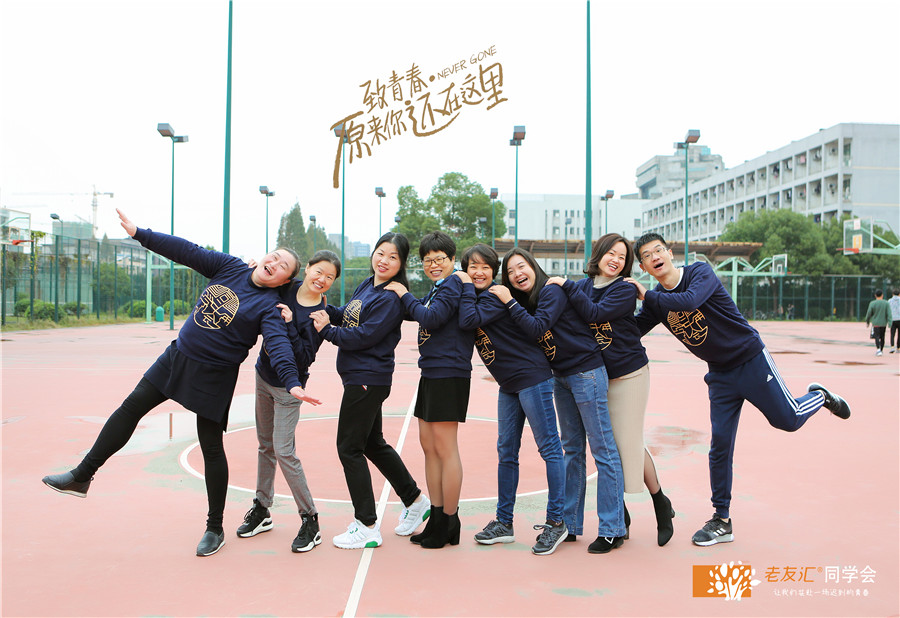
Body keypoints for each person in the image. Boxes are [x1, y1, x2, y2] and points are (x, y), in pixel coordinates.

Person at [42, 209, 320, 557]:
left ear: (283, 281)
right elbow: (187, 251)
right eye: (274, 257)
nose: (274, 264)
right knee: (130, 409)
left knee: (211, 448)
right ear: (263, 257)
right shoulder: (230, 267)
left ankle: (214, 528)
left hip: (215, 375)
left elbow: (278, 346)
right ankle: (82, 475)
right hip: (178, 357)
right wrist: (140, 233)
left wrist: (292, 382)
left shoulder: (269, 307)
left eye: (283, 267)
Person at [628, 233, 851, 547]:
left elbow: (688, 301)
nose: (655, 257)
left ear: (670, 253)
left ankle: (820, 396)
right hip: (720, 375)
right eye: (647, 255)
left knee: (788, 420)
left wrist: (646, 295)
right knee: (720, 445)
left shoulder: (699, 272)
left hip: (750, 360)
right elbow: (633, 331)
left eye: (658, 250)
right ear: (643, 267)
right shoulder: (655, 302)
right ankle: (722, 519)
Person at [492, 247, 626, 555]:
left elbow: (538, 328)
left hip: (586, 372)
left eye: (521, 267)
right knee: (572, 450)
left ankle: (612, 528)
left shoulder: (551, 291)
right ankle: (570, 525)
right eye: (510, 272)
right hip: (561, 377)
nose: (517, 274)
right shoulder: (528, 301)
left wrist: (508, 300)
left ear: (533, 266)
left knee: (603, 449)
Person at [548, 233, 675, 547]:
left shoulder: (623, 289)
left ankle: (660, 502)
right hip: (596, 375)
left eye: (622, 257)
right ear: (599, 254)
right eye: (611, 254)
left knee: (626, 442)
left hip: (629, 374)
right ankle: (620, 516)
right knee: (609, 445)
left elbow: (594, 314)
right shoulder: (582, 287)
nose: (616, 260)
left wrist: (565, 285)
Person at [311, 232, 429, 550]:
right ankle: (415, 501)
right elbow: (350, 315)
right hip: (360, 377)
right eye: (381, 253)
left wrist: (327, 331)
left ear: (401, 264)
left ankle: (366, 525)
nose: (384, 260)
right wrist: (328, 312)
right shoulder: (368, 284)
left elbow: (364, 335)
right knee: (373, 444)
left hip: (367, 379)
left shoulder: (390, 298)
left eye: (393, 257)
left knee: (349, 447)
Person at [456, 244, 569, 556]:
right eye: (472, 267)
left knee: (549, 449)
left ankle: (556, 522)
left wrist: (463, 285)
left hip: (532, 378)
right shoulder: (479, 295)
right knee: (506, 451)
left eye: (485, 267)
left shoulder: (494, 296)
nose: (478, 272)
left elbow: (468, 320)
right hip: (508, 384)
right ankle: (504, 522)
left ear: (493, 272)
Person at [236, 250, 341, 553]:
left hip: (289, 391)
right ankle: (262, 509)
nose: (322, 279)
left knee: (284, 451)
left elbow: (304, 357)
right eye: (319, 271)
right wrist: (251, 267)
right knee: (265, 446)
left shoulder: (319, 315)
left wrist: (292, 324)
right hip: (263, 377)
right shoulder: (286, 287)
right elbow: (261, 282)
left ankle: (310, 519)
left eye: (329, 277)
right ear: (306, 269)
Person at [385, 232, 473, 549]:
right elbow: (419, 309)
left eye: (439, 259)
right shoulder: (440, 287)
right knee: (429, 446)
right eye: (427, 260)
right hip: (432, 372)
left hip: (450, 372)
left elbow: (432, 318)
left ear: (452, 260)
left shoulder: (454, 283)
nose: (433, 265)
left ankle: (450, 520)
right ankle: (436, 517)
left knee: (445, 448)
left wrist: (402, 293)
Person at [864, 289, 891, 357]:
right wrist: (890, 322)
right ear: (882, 295)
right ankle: (881, 350)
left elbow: (869, 313)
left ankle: (878, 349)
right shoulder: (886, 303)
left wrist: (867, 321)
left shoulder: (872, 303)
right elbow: (889, 314)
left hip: (875, 323)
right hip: (883, 323)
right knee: (882, 337)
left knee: (876, 336)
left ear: (875, 295)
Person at [889, 289, 900, 353]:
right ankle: (898, 348)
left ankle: (892, 347)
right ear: (899, 294)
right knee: (899, 334)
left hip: (892, 319)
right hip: (899, 319)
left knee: (892, 334)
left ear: (892, 294)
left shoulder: (889, 301)